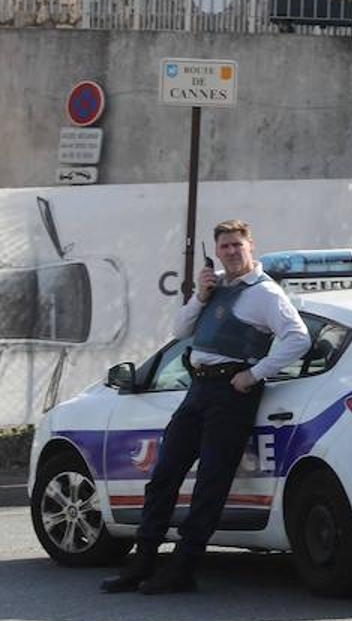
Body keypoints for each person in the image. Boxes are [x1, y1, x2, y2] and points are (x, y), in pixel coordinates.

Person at [101, 219, 310, 595]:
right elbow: (181, 330)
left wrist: (255, 374)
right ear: (217, 251)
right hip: (198, 389)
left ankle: (183, 568)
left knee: (210, 483)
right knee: (165, 474)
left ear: (251, 247)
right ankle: (143, 561)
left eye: (237, 245)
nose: (231, 252)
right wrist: (199, 294)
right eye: (224, 246)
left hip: (232, 393)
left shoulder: (265, 293)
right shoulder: (216, 288)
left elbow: (297, 338)